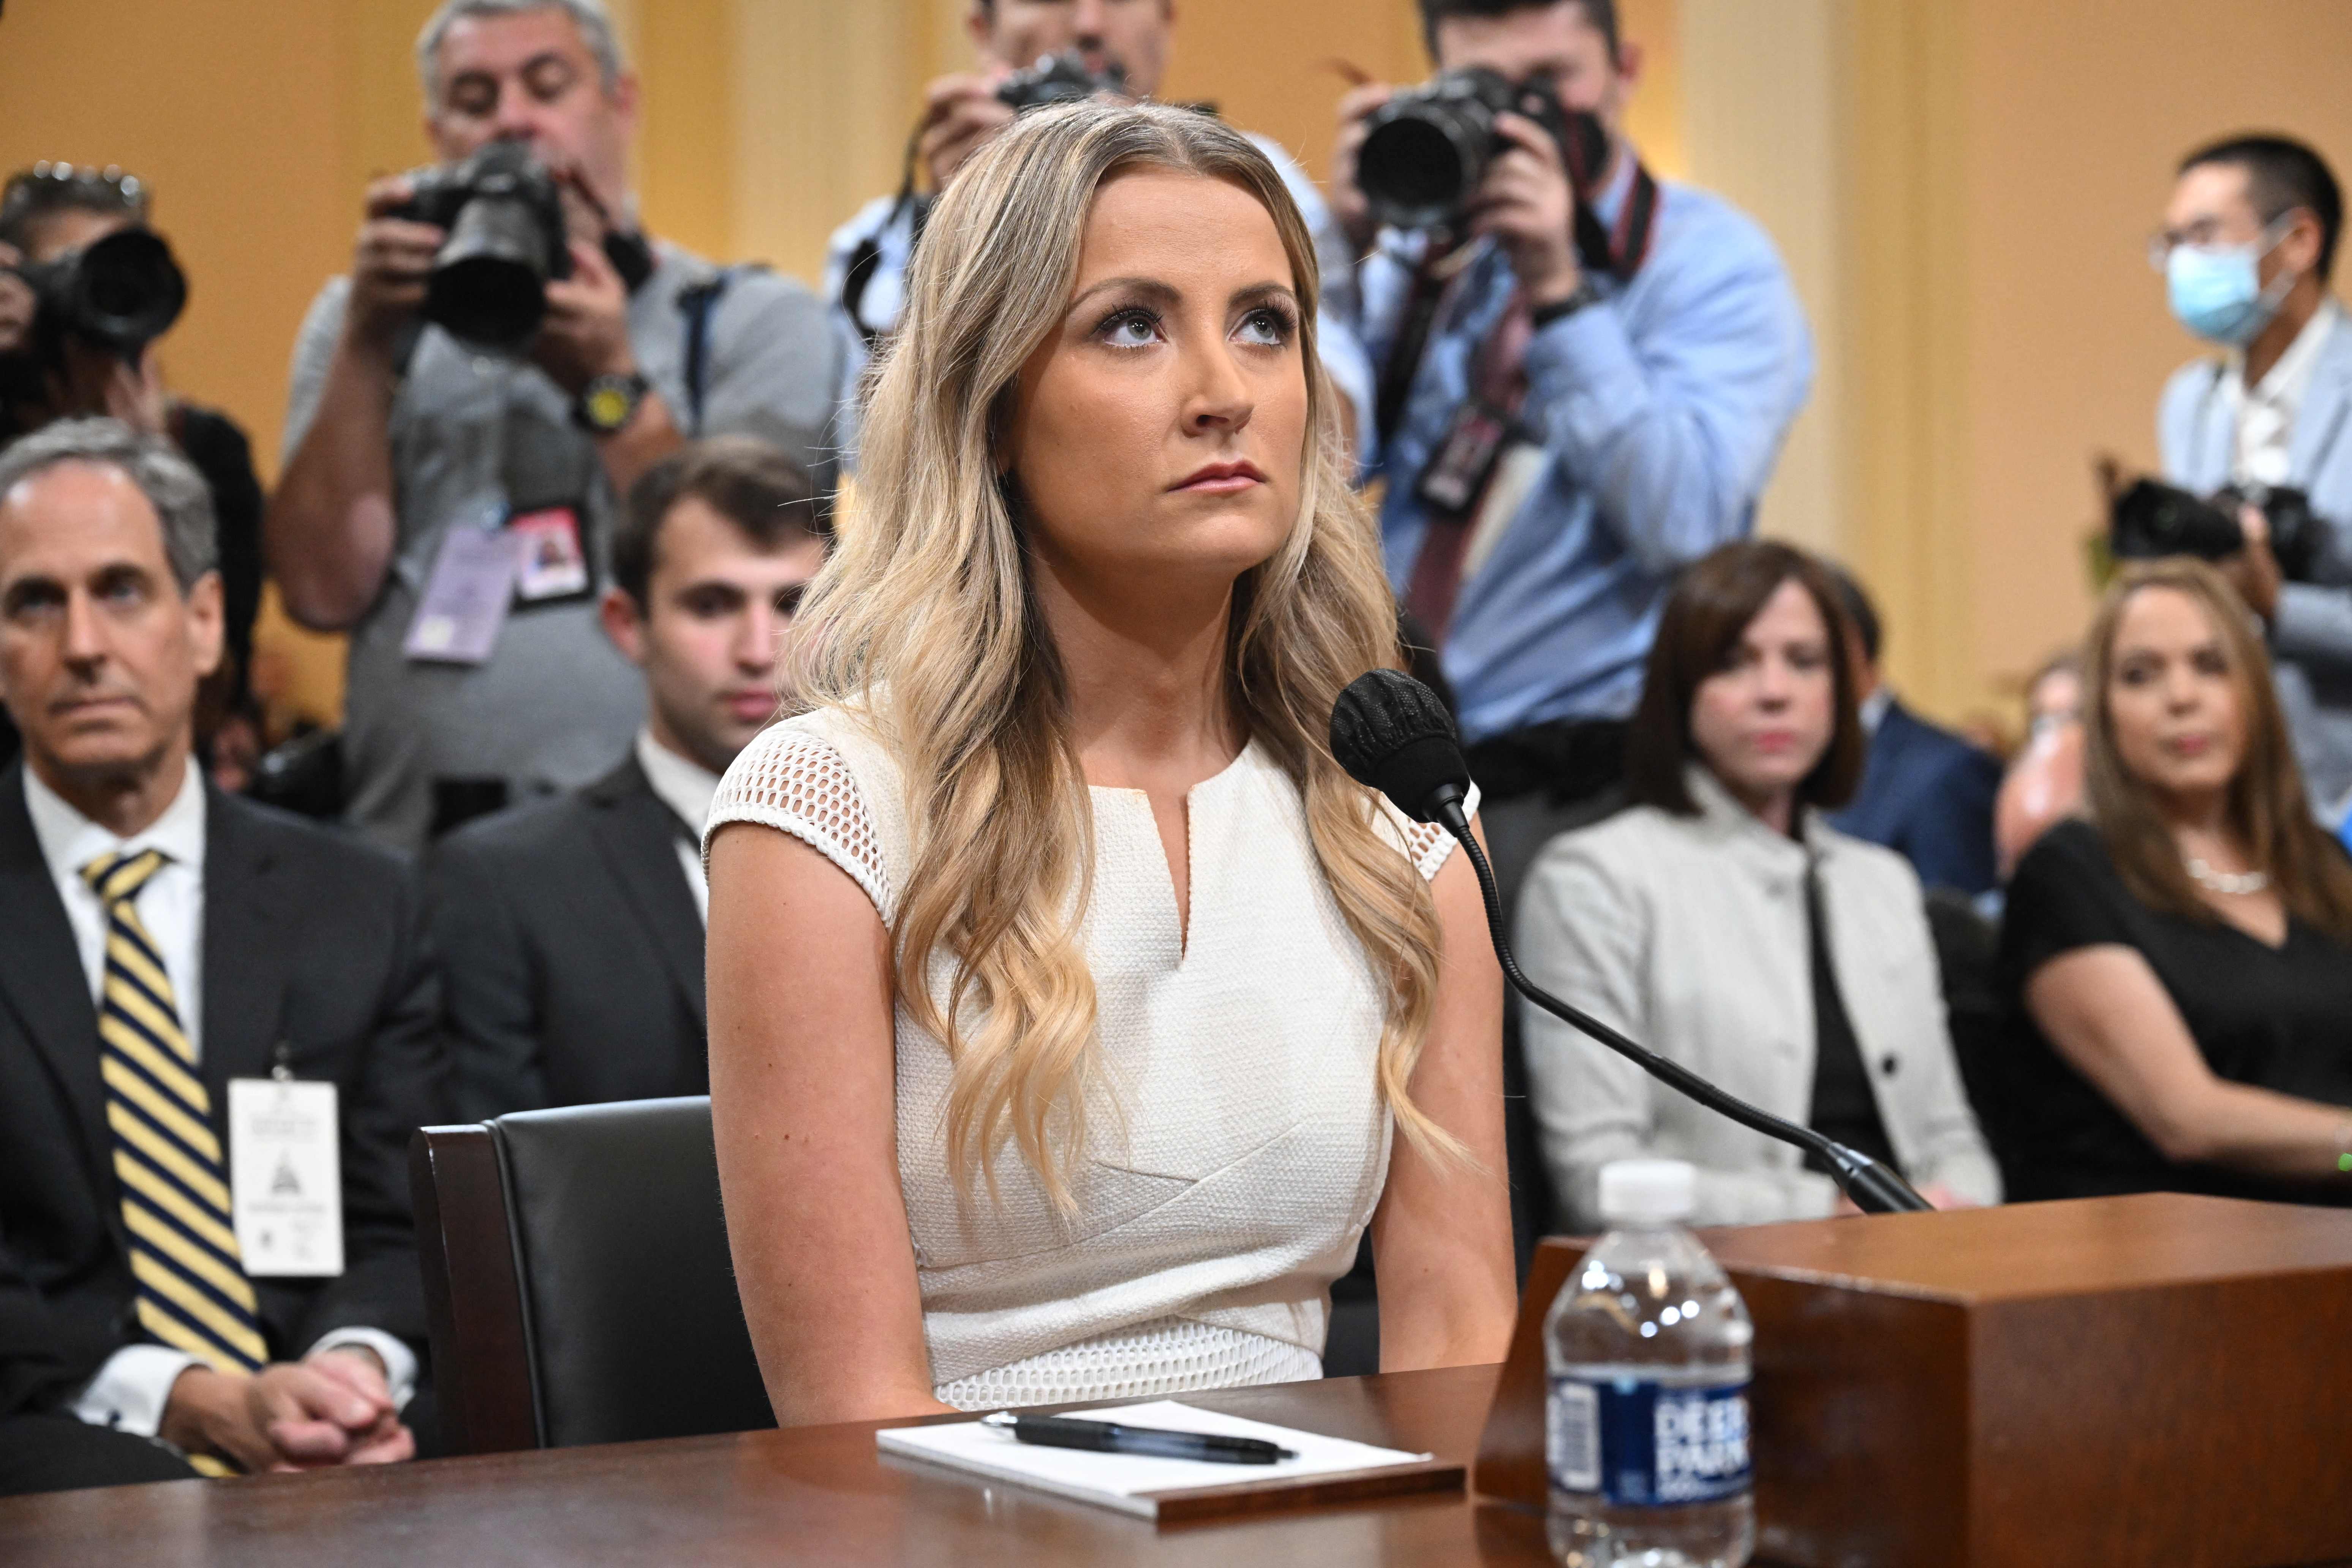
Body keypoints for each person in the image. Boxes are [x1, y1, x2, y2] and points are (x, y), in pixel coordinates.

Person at [706, 101, 1516, 1426]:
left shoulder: (1404, 815)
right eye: (1132, 324)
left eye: (1266, 322)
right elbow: (853, 1421)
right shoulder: (825, 808)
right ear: (994, 404)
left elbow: (1457, 1338)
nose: (1225, 390)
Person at [268, 0, 841, 852]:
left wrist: (606, 384)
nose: (512, 121)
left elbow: (746, 570)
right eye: (475, 98)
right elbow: (320, 591)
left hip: (665, 856)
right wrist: (364, 340)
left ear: (621, 103)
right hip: (406, 842)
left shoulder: (751, 321)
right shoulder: (367, 323)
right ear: (436, 132)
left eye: (547, 86)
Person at [0, 420, 449, 1474]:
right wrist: (185, 1400)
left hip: (330, 1426)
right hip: (60, 1430)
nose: (82, 646)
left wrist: (352, 1374)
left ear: (204, 623)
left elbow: (404, 1218)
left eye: (121, 590)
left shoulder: (365, 900)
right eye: (33, 602)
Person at [1334, 0, 1813, 909]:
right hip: (1401, 758)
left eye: (1549, 83)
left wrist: (1556, 290)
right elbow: (1322, 469)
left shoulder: (1713, 263)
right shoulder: (1436, 249)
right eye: (1484, 86)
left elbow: (1684, 521)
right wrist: (1341, 254)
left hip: (1594, 771)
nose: (1520, 120)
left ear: (1624, 72)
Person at [1517, 541, 2000, 1230]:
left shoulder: (1883, 882)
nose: (1775, 691)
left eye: (1804, 662)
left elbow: (1953, 1137)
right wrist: (1836, 1213)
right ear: (1680, 689)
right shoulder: (1593, 878)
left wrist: (1956, 1208)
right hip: (1723, 1284)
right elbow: (1597, 1176)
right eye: (1734, 662)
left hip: (1927, 1263)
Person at [428, 438, 823, 1118]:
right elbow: (496, 1192)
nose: (760, 650)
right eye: (712, 605)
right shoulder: (507, 882)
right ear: (627, 624)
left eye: (791, 603)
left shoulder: (928, 847)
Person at [823, 0, 1374, 451]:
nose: (1089, 25)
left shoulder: (1259, 186)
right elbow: (881, 465)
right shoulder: (883, 243)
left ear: (1168, 24)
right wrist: (968, 226)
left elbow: (1339, 446)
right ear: (982, 31)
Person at [1996, 558, 2352, 1206]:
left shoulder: (2323, 864)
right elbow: (2187, 1120)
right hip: (2167, 1271)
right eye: (2141, 675)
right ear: (2102, 711)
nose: (2181, 697)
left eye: (2210, 665)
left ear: (2253, 689)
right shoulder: (2067, 873)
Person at [0, 164, 267, 771]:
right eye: (62, 276)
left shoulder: (206, 451)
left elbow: (215, 685)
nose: (87, 301)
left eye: (111, 276)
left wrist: (150, 467)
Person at [2154, 134, 2352, 815]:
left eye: (2204, 235)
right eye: (2171, 242)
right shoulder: (2191, 401)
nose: (2181, 263)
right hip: (2226, 793)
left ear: (2297, 241)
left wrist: (2280, 607)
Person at [1821, 565, 2003, 896]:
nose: (1770, 686)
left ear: (1852, 648)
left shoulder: (1947, 774)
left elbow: (1958, 938)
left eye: (1799, 655)